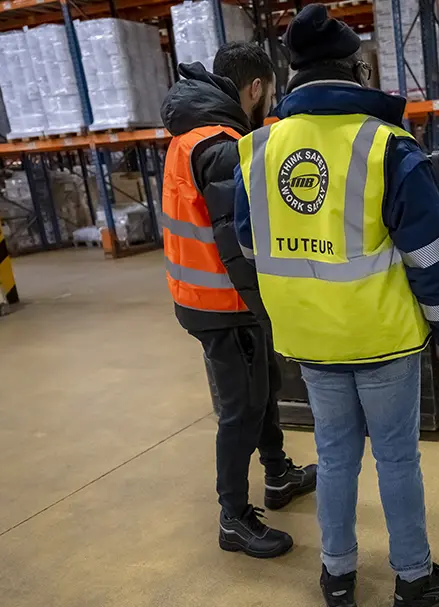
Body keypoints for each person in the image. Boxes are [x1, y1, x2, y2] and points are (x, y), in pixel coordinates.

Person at [234, 4, 439, 607]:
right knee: (396, 460)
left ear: (294, 73)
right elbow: (431, 259)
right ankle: (413, 583)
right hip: (382, 338)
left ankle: (337, 579)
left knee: (335, 458)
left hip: (311, 341)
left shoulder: (257, 151)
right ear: (357, 71)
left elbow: (252, 248)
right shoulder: (388, 149)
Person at [160, 42, 316, 559]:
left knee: (261, 388)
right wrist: (268, 305)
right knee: (241, 409)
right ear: (255, 88)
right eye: (268, 94)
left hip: (214, 296)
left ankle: (278, 474)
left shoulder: (196, 133)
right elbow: (235, 240)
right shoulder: (219, 145)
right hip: (221, 301)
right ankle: (233, 518)